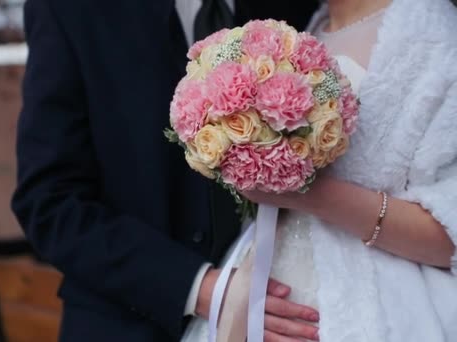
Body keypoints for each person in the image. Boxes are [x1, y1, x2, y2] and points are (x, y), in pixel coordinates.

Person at [11, 0, 320, 341]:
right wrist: (197, 287)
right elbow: (49, 202)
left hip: (283, 313)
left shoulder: (300, 7)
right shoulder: (70, 9)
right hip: (123, 327)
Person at [184, 0, 457, 341]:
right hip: (263, 286)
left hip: (375, 305)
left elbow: (449, 233)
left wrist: (305, 192)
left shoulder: (436, 37)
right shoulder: (311, 23)